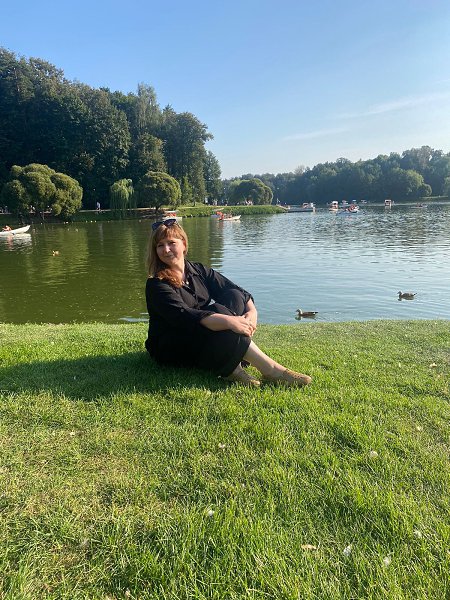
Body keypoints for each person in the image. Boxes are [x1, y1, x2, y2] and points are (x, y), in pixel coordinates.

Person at [144, 219, 312, 388]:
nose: (166, 250)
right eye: (160, 245)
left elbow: (235, 290)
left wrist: (252, 313)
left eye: (171, 243)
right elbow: (184, 316)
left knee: (234, 296)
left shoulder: (198, 270)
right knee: (220, 313)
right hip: (172, 344)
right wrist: (230, 321)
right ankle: (271, 370)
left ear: (184, 244)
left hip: (202, 335)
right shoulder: (156, 284)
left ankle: (234, 361)